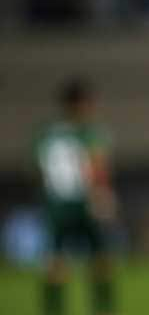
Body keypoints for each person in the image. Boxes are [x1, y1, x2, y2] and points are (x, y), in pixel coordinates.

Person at [33, 78, 116, 315]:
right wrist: (102, 194)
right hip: (84, 201)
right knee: (100, 259)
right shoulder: (88, 131)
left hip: (56, 205)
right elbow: (95, 164)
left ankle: (52, 309)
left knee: (55, 262)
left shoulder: (46, 134)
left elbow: (38, 170)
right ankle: (103, 309)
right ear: (80, 104)